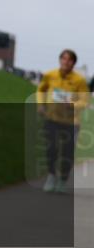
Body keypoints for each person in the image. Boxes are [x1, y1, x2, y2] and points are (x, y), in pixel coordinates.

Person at [36, 49, 90, 193]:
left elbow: (85, 100)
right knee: (51, 148)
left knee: (67, 152)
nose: (66, 62)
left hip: (71, 121)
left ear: (73, 63)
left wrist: (72, 104)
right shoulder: (50, 75)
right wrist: (40, 104)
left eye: (70, 60)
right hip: (52, 118)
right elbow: (41, 90)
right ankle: (51, 176)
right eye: (64, 59)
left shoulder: (79, 80)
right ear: (60, 60)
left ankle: (63, 180)